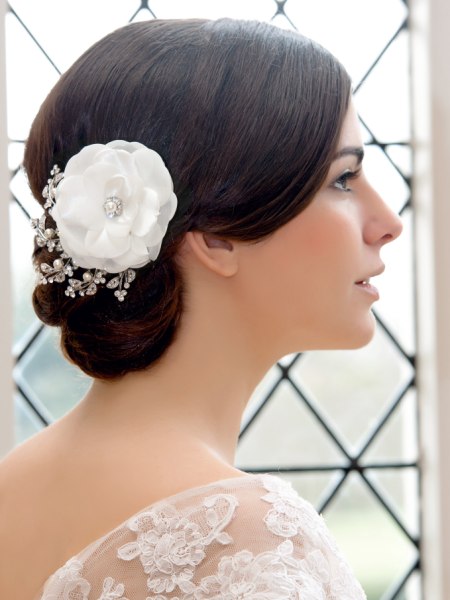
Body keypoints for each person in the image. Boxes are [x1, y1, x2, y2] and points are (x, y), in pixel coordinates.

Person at [0, 18, 402, 599]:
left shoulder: (13, 486)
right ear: (216, 238)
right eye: (343, 179)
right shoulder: (244, 540)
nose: (387, 223)